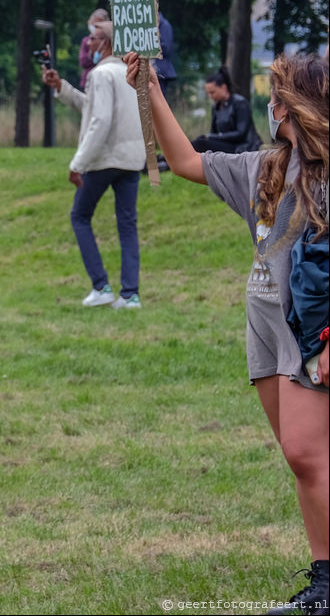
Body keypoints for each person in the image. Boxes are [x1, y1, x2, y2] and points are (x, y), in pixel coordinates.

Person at [126, 50, 328, 616]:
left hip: (313, 335)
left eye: (279, 95)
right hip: (264, 330)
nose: (272, 103)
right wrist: (152, 92)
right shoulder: (265, 167)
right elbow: (187, 160)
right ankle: (324, 580)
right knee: (305, 460)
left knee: (307, 453)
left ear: (296, 106)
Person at [42, 20, 146, 309]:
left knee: (80, 216)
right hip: (131, 160)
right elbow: (92, 106)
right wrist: (61, 86)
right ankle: (130, 294)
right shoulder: (132, 72)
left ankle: (101, 286)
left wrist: (78, 163)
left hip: (103, 159)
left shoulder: (101, 74)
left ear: (107, 43)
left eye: (94, 38)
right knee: (127, 225)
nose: (89, 43)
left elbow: (99, 121)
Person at [191, 66, 262, 154]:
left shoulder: (240, 103)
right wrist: (209, 137)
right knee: (199, 141)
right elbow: (213, 133)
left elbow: (241, 134)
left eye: (212, 92)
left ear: (224, 87)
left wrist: (210, 137)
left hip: (242, 147)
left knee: (200, 144)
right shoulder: (215, 107)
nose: (210, 96)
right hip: (226, 145)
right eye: (208, 93)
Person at [78, 8, 111, 91]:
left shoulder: (109, 74)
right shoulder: (85, 40)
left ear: (105, 42)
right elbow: (83, 61)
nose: (88, 43)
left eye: (93, 39)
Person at [153, 10, 178, 102]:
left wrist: (154, 40)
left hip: (160, 72)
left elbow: (166, 49)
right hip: (151, 70)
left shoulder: (165, 25)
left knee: (159, 101)